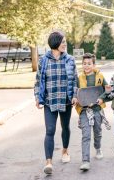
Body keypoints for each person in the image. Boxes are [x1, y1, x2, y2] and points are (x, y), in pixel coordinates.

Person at [34, 31, 78, 175]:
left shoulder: (70, 59)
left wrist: (75, 95)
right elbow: (38, 80)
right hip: (49, 100)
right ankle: (49, 162)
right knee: (50, 130)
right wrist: (37, 97)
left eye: (65, 41)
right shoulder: (43, 60)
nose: (65, 44)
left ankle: (65, 151)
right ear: (55, 43)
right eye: (63, 41)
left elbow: (75, 80)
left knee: (65, 127)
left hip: (66, 101)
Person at [75, 53, 110, 171]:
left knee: (97, 132)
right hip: (84, 110)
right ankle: (85, 160)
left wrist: (102, 97)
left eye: (89, 64)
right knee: (86, 135)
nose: (86, 66)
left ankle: (98, 147)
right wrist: (75, 98)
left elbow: (107, 90)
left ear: (94, 64)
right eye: (84, 64)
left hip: (97, 110)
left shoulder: (100, 76)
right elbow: (76, 91)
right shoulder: (79, 78)